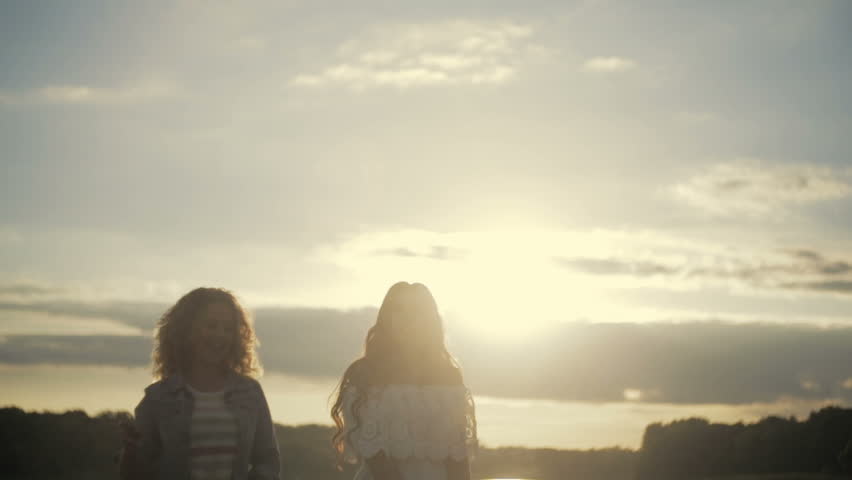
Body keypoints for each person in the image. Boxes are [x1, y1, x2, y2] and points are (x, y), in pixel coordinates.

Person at [120, 287, 280, 480]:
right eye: (211, 325)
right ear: (186, 330)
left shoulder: (249, 392)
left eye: (227, 328)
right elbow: (136, 473)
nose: (220, 335)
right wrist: (130, 452)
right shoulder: (159, 397)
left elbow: (267, 460)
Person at [330, 282, 477, 480]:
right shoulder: (365, 373)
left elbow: (458, 459)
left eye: (417, 311)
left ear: (429, 319)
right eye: (399, 310)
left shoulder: (448, 375)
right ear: (386, 317)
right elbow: (375, 456)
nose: (408, 319)